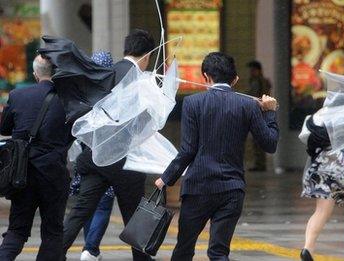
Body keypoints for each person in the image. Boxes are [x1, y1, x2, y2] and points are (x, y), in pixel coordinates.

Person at [154, 52, 279, 260]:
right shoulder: (248, 106)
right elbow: (270, 144)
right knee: (219, 252)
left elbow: (188, 150)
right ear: (235, 79)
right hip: (231, 189)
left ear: (206, 76)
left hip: (198, 189)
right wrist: (270, 113)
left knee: (184, 250)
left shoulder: (193, 103)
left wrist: (166, 178)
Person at [62, 29, 155, 261]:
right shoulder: (140, 80)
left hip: (96, 156)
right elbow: (144, 120)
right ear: (146, 55)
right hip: (124, 160)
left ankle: (51, 253)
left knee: (79, 212)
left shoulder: (103, 73)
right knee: (134, 217)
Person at [0, 55, 72, 260]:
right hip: (54, 174)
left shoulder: (17, 96)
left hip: (22, 174)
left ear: (35, 73)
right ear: (56, 72)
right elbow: (73, 134)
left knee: (17, 230)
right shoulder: (67, 100)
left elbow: (4, 128)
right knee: (53, 232)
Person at [299, 63, 344, 261]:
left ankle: (308, 248)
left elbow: (310, 131)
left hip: (323, 161)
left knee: (321, 210)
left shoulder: (332, 104)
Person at [68, 51, 115, 261]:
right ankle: (91, 248)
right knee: (103, 204)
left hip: (86, 157)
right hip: (109, 155)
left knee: (87, 202)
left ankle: (90, 249)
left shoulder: (82, 92)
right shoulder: (116, 94)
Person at [247, 60, 272, 171]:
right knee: (257, 140)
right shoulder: (257, 81)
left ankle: (260, 164)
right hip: (258, 112)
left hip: (259, 113)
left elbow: (257, 96)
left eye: (252, 70)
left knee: (258, 140)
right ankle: (259, 163)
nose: (251, 72)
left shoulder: (260, 82)